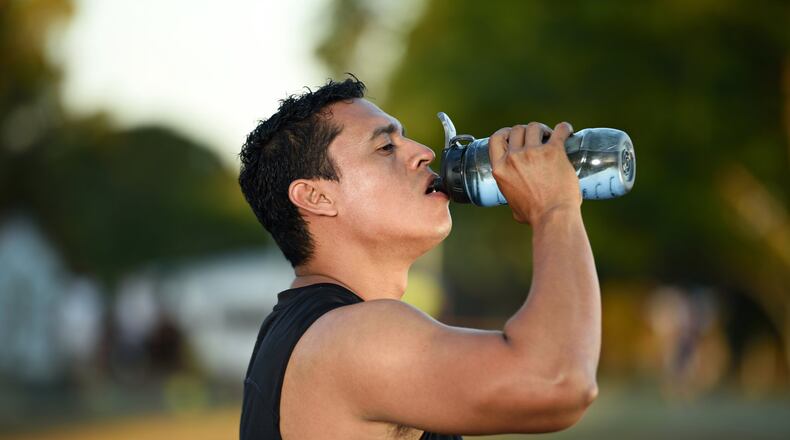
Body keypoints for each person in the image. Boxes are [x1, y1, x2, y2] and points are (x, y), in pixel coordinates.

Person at [237, 77, 600, 439]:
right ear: (316, 197)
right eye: (385, 147)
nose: (424, 152)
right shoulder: (352, 336)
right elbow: (557, 382)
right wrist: (555, 208)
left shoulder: (307, 330)